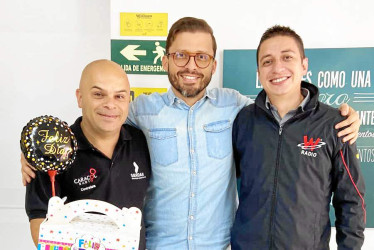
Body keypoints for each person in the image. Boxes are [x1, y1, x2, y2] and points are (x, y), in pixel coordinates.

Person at [22, 18, 360, 250]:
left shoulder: (238, 109)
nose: (191, 66)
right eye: (181, 55)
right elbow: (101, 115)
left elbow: (283, 105)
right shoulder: (141, 111)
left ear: (213, 65)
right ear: (166, 60)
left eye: (201, 57)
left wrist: (340, 116)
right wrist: (40, 148)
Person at [231, 25, 365, 249]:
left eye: (287, 57)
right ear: (258, 72)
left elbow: (351, 201)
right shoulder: (243, 121)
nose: (277, 68)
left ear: (304, 65)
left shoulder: (335, 124)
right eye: (267, 61)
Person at [24, 59, 151, 249]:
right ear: (80, 97)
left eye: (119, 96)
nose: (110, 104)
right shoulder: (53, 151)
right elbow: (40, 224)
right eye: (99, 94)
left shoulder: (142, 141)